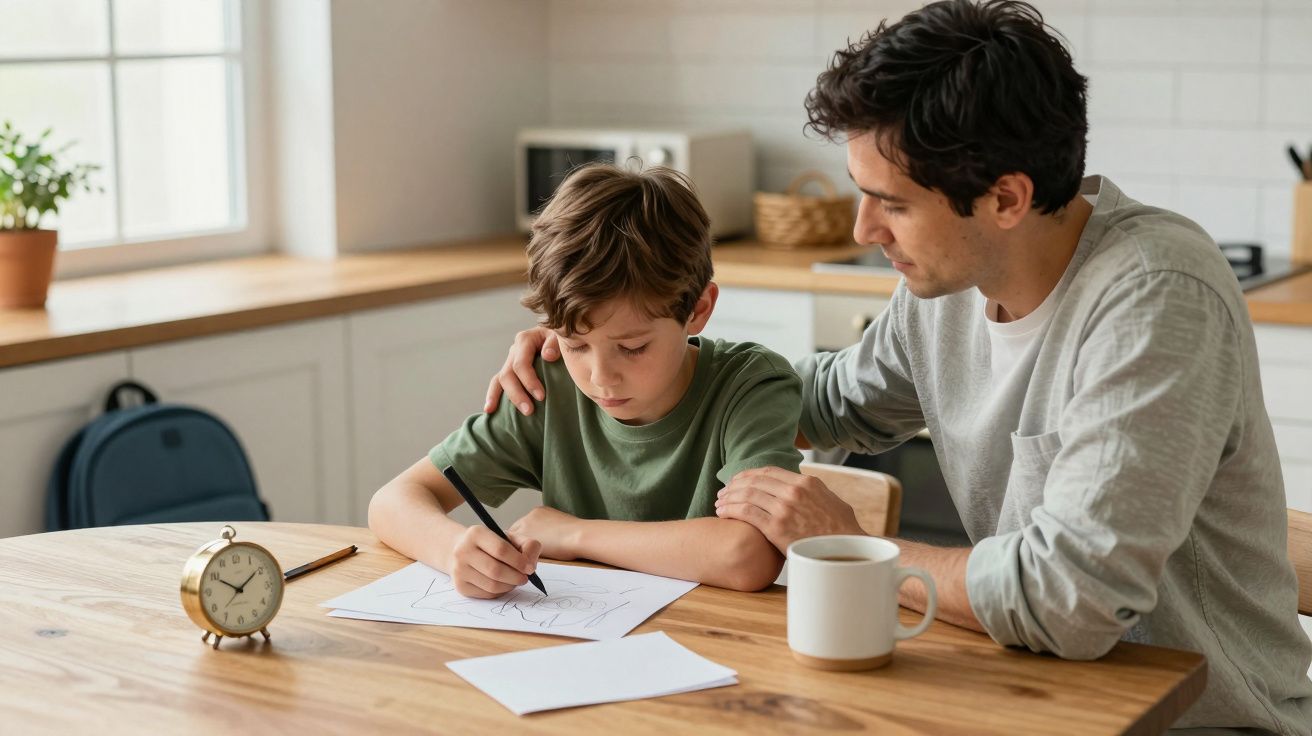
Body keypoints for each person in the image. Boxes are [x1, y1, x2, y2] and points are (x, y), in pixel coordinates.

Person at [484, 1, 1312, 731]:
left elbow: (1071, 602)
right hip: (1030, 690)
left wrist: (852, 547)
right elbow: (815, 401)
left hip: (1195, 717)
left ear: (1007, 198)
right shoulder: (949, 288)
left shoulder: (1155, 300)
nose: (862, 231)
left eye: (894, 203)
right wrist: (608, 353)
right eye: (860, 191)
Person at [369, 163, 803, 599]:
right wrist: (453, 550)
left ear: (699, 310)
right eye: (576, 345)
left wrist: (575, 534)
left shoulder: (751, 386)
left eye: (632, 348)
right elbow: (392, 502)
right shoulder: (545, 385)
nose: (600, 378)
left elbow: (748, 556)